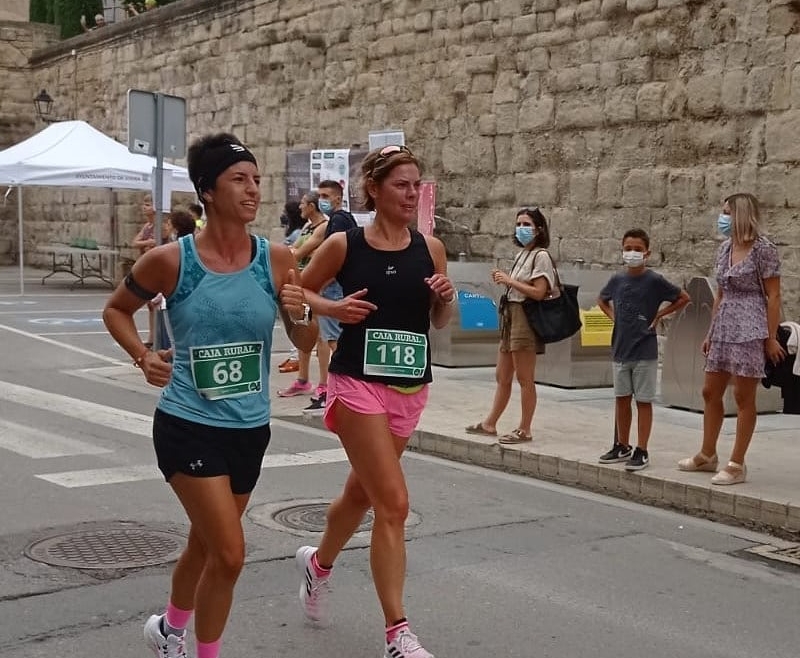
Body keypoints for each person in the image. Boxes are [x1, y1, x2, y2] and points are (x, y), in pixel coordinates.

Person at [103, 133, 317, 658]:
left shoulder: (278, 258)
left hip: (249, 429)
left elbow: (305, 340)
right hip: (187, 423)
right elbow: (115, 309)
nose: (253, 190)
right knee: (230, 553)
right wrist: (142, 355)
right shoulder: (171, 261)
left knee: (204, 545)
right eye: (239, 180)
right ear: (208, 190)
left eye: (257, 180)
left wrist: (300, 310)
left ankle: (169, 631)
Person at [294, 144, 455, 658]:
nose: (412, 194)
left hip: (410, 384)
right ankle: (397, 633)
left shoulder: (431, 248)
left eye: (416, 185)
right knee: (394, 503)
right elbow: (296, 292)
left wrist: (446, 298)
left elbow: (438, 322)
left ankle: (317, 564)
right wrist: (333, 306)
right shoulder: (344, 244)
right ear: (376, 191)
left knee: (362, 495)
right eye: (401, 185)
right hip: (356, 381)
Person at [678, 193, 784, 484]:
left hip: (751, 325)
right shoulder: (725, 248)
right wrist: (711, 332)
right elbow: (721, 293)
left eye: (727, 212)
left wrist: (770, 336)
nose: (722, 217)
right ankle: (707, 454)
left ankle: (737, 462)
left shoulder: (764, 250)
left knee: (743, 395)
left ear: (739, 214)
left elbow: (773, 295)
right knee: (710, 391)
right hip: (725, 323)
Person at [596, 229, 690, 471]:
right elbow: (602, 299)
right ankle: (622, 444)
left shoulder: (654, 280)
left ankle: (642, 448)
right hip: (620, 348)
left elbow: (683, 297)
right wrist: (613, 317)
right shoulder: (617, 280)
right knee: (621, 399)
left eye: (637, 249)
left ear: (647, 253)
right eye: (628, 248)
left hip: (644, 350)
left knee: (643, 400)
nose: (632, 253)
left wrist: (660, 314)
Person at [465, 207, 555, 444]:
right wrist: (506, 280)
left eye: (527, 224)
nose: (522, 229)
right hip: (510, 314)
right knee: (502, 374)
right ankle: (490, 423)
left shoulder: (541, 255)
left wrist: (510, 280)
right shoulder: (522, 255)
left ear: (539, 229)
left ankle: (525, 428)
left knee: (525, 377)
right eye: (519, 224)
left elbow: (538, 292)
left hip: (525, 316)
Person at [301, 180, 359, 414]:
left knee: (334, 340)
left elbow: (334, 258)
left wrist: (320, 285)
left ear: (337, 198)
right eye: (320, 194)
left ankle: (342, 390)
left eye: (325, 195)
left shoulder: (338, 220)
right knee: (330, 339)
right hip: (335, 285)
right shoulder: (343, 220)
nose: (321, 199)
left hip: (333, 287)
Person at [277, 192, 329, 395]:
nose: (300, 207)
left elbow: (297, 251)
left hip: (318, 285)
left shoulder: (323, 227)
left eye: (303, 204)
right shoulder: (308, 226)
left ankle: (324, 383)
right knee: (302, 326)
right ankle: (303, 379)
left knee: (322, 335)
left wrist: (292, 253)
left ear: (312, 206)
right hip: (301, 283)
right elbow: (294, 248)